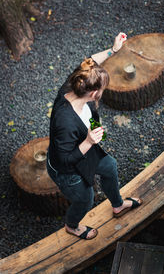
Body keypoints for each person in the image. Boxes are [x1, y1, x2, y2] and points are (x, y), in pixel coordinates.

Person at [47, 32, 142, 240]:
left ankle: (117, 205)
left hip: (83, 148)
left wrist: (113, 50)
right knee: (85, 199)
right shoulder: (65, 121)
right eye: (102, 89)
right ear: (93, 93)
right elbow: (65, 161)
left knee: (109, 166)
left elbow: (90, 62)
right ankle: (72, 226)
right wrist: (90, 141)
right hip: (66, 169)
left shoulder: (75, 85)